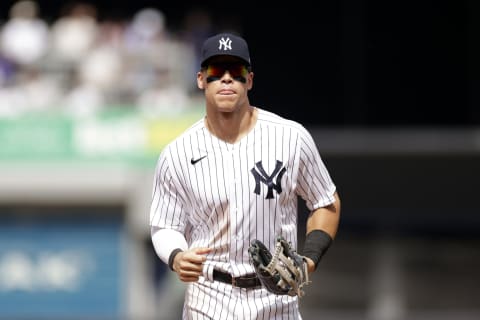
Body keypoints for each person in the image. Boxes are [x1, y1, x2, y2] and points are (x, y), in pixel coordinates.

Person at [149, 32, 341, 319]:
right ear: (201, 79)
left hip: (276, 300)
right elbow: (164, 225)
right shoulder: (177, 153)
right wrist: (176, 255)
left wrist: (309, 260)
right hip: (209, 297)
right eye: (216, 70)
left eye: (236, 71)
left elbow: (325, 201)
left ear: (249, 80)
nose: (226, 78)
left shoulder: (290, 137)